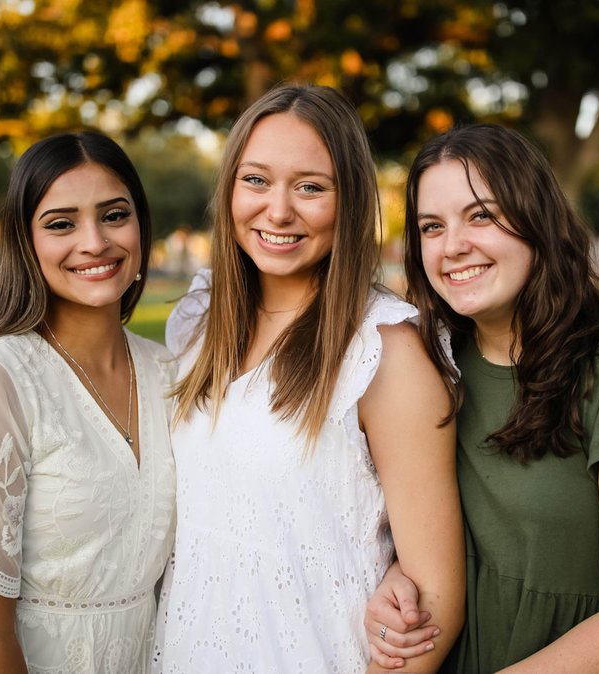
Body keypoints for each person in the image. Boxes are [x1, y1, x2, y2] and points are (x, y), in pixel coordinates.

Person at [366, 124, 599, 673]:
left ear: (538, 220)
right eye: (432, 227)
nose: (453, 246)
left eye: (481, 215)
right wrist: (398, 576)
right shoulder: (433, 368)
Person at [154, 84, 464, 673]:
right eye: (256, 181)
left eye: (310, 187)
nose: (278, 210)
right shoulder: (200, 324)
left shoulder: (385, 351)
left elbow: (436, 597)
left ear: (348, 202)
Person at [0, 131, 176, 673]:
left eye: (114, 215)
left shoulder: (169, 373)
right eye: (61, 223)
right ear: (26, 242)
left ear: (141, 225)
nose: (93, 242)